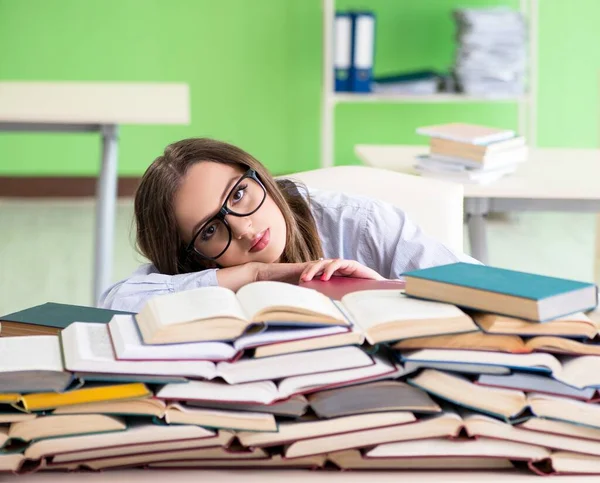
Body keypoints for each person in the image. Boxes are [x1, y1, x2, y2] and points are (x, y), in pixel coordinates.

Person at [100, 138, 478, 312]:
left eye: (238, 195)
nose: (245, 230)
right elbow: (117, 303)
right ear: (192, 256)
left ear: (259, 175)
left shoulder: (360, 224)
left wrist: (380, 290)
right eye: (210, 231)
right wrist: (256, 275)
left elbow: (488, 291)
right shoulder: (200, 269)